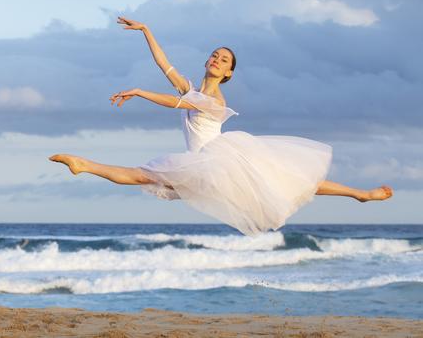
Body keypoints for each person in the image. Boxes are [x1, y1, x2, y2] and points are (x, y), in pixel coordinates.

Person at [50, 17, 392, 236]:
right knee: (143, 175)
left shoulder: (214, 102)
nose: (217, 60)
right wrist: (147, 31)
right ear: (207, 62)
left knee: (297, 181)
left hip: (216, 161)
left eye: (224, 59)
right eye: (214, 55)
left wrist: (139, 91)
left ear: (228, 73)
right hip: (202, 163)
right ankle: (83, 165)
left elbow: (177, 103)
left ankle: (361, 194)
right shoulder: (192, 89)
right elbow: (164, 64)